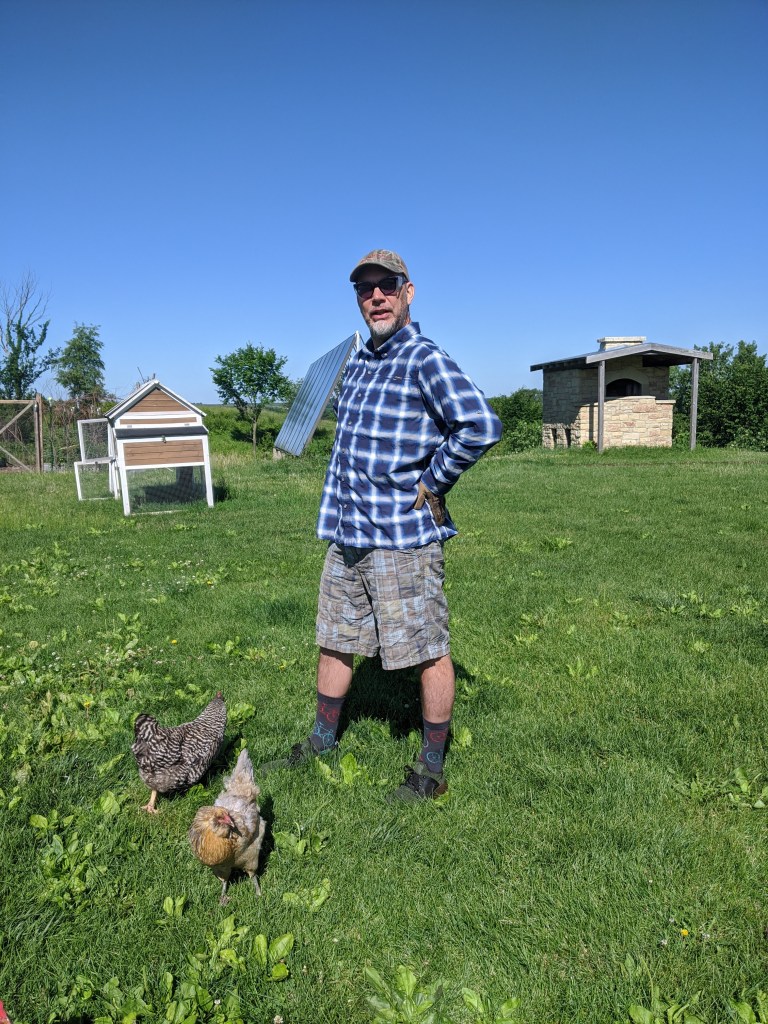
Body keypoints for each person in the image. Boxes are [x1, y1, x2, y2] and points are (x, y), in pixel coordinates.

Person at [263, 250, 502, 800]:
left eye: (386, 285)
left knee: (426, 648)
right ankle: (322, 740)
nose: (375, 296)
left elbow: (480, 425)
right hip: (348, 534)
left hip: (401, 539)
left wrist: (433, 482)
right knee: (335, 639)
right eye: (364, 288)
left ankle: (431, 770)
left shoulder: (424, 358)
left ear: (407, 292)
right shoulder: (358, 364)